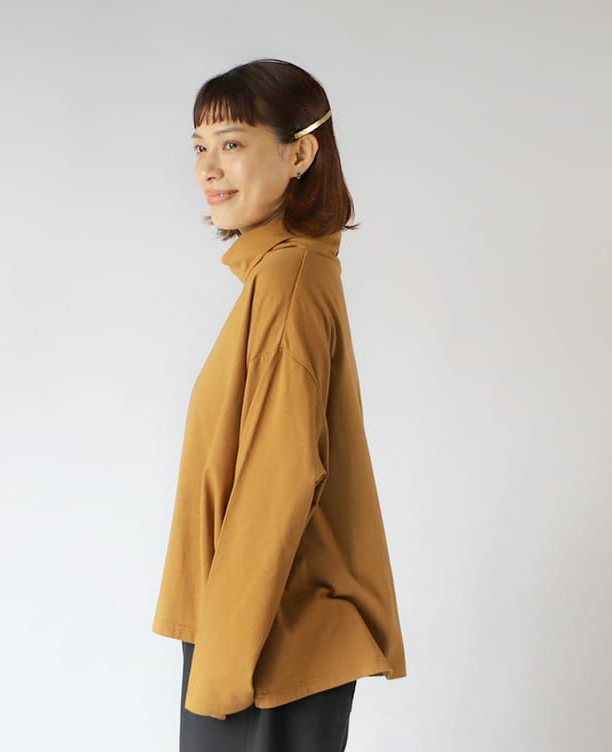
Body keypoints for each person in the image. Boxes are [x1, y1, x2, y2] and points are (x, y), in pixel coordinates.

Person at [152, 58, 407, 752]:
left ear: (300, 154)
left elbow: (279, 478)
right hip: (256, 632)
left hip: (268, 646)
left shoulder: (289, 279)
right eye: (200, 147)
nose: (209, 169)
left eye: (232, 143)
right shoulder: (284, 273)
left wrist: (222, 669)